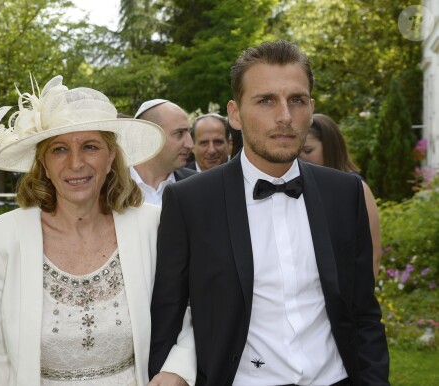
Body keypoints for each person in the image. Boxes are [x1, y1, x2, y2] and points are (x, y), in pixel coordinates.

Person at [149, 40, 389, 385]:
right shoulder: (190, 201)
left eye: (297, 100)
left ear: (311, 107)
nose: (285, 117)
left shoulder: (344, 193)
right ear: (235, 113)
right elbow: (169, 313)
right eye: (266, 101)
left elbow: (363, 310)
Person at [0, 75, 195, 385]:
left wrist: (177, 371)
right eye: (59, 149)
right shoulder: (4, 237)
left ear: (112, 156)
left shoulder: (153, 226)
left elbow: (195, 313)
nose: (75, 163)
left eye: (90, 147)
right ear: (43, 162)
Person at [300, 113, 382, 277]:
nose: (301, 158)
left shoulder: (357, 189)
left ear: (331, 147)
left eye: (308, 150)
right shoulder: (294, 188)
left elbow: (373, 256)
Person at [131, 99, 196, 205]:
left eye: (189, 133)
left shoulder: (196, 184)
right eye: (179, 133)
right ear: (149, 136)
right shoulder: (109, 184)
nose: (190, 144)